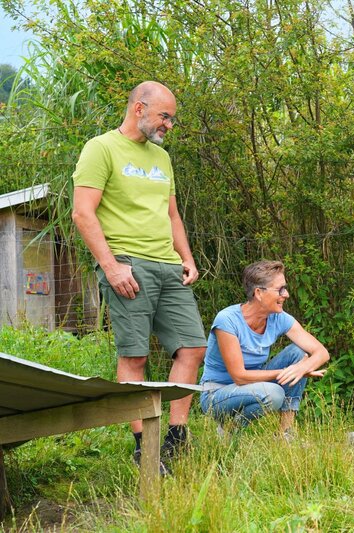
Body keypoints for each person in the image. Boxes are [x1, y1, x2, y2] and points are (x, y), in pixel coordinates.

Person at [72, 81, 206, 472]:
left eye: (172, 118)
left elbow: (172, 215)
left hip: (167, 265)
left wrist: (187, 257)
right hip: (128, 263)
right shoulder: (101, 148)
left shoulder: (162, 160)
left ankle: (176, 437)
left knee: (192, 348)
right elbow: (83, 213)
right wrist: (111, 266)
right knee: (135, 355)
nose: (169, 124)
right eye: (165, 116)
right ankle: (143, 445)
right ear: (139, 109)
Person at [199, 260, 329, 435]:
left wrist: (301, 368)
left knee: (298, 353)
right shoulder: (227, 320)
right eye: (280, 289)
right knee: (274, 393)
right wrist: (287, 372)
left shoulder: (279, 317)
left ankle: (286, 434)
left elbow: (321, 352)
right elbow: (239, 376)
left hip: (255, 386)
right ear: (259, 293)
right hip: (217, 394)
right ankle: (231, 429)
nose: (287, 294)